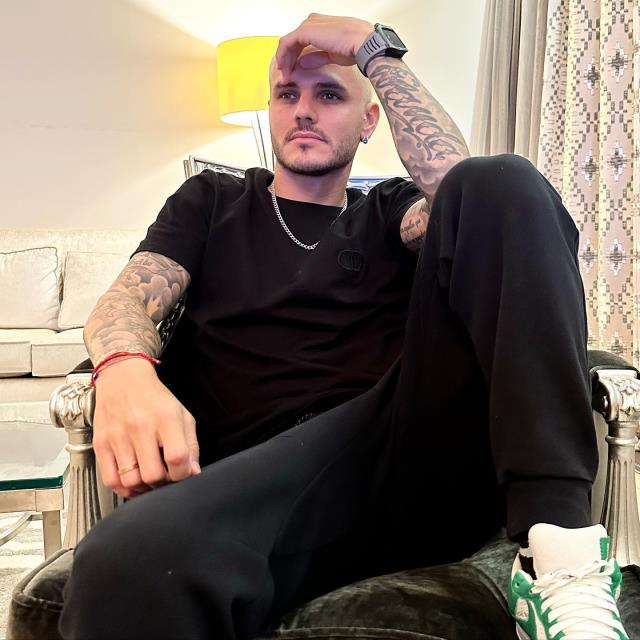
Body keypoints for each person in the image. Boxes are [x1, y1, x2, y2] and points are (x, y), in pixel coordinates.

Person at [59, 13, 629, 640]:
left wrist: (373, 51)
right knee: (121, 563)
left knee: (502, 177)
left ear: (369, 120)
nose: (303, 110)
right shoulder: (212, 201)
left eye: (330, 95)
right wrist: (125, 371)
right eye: (287, 94)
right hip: (255, 484)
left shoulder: (390, 210)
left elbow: (474, 196)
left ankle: (559, 557)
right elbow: (126, 301)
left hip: (401, 465)